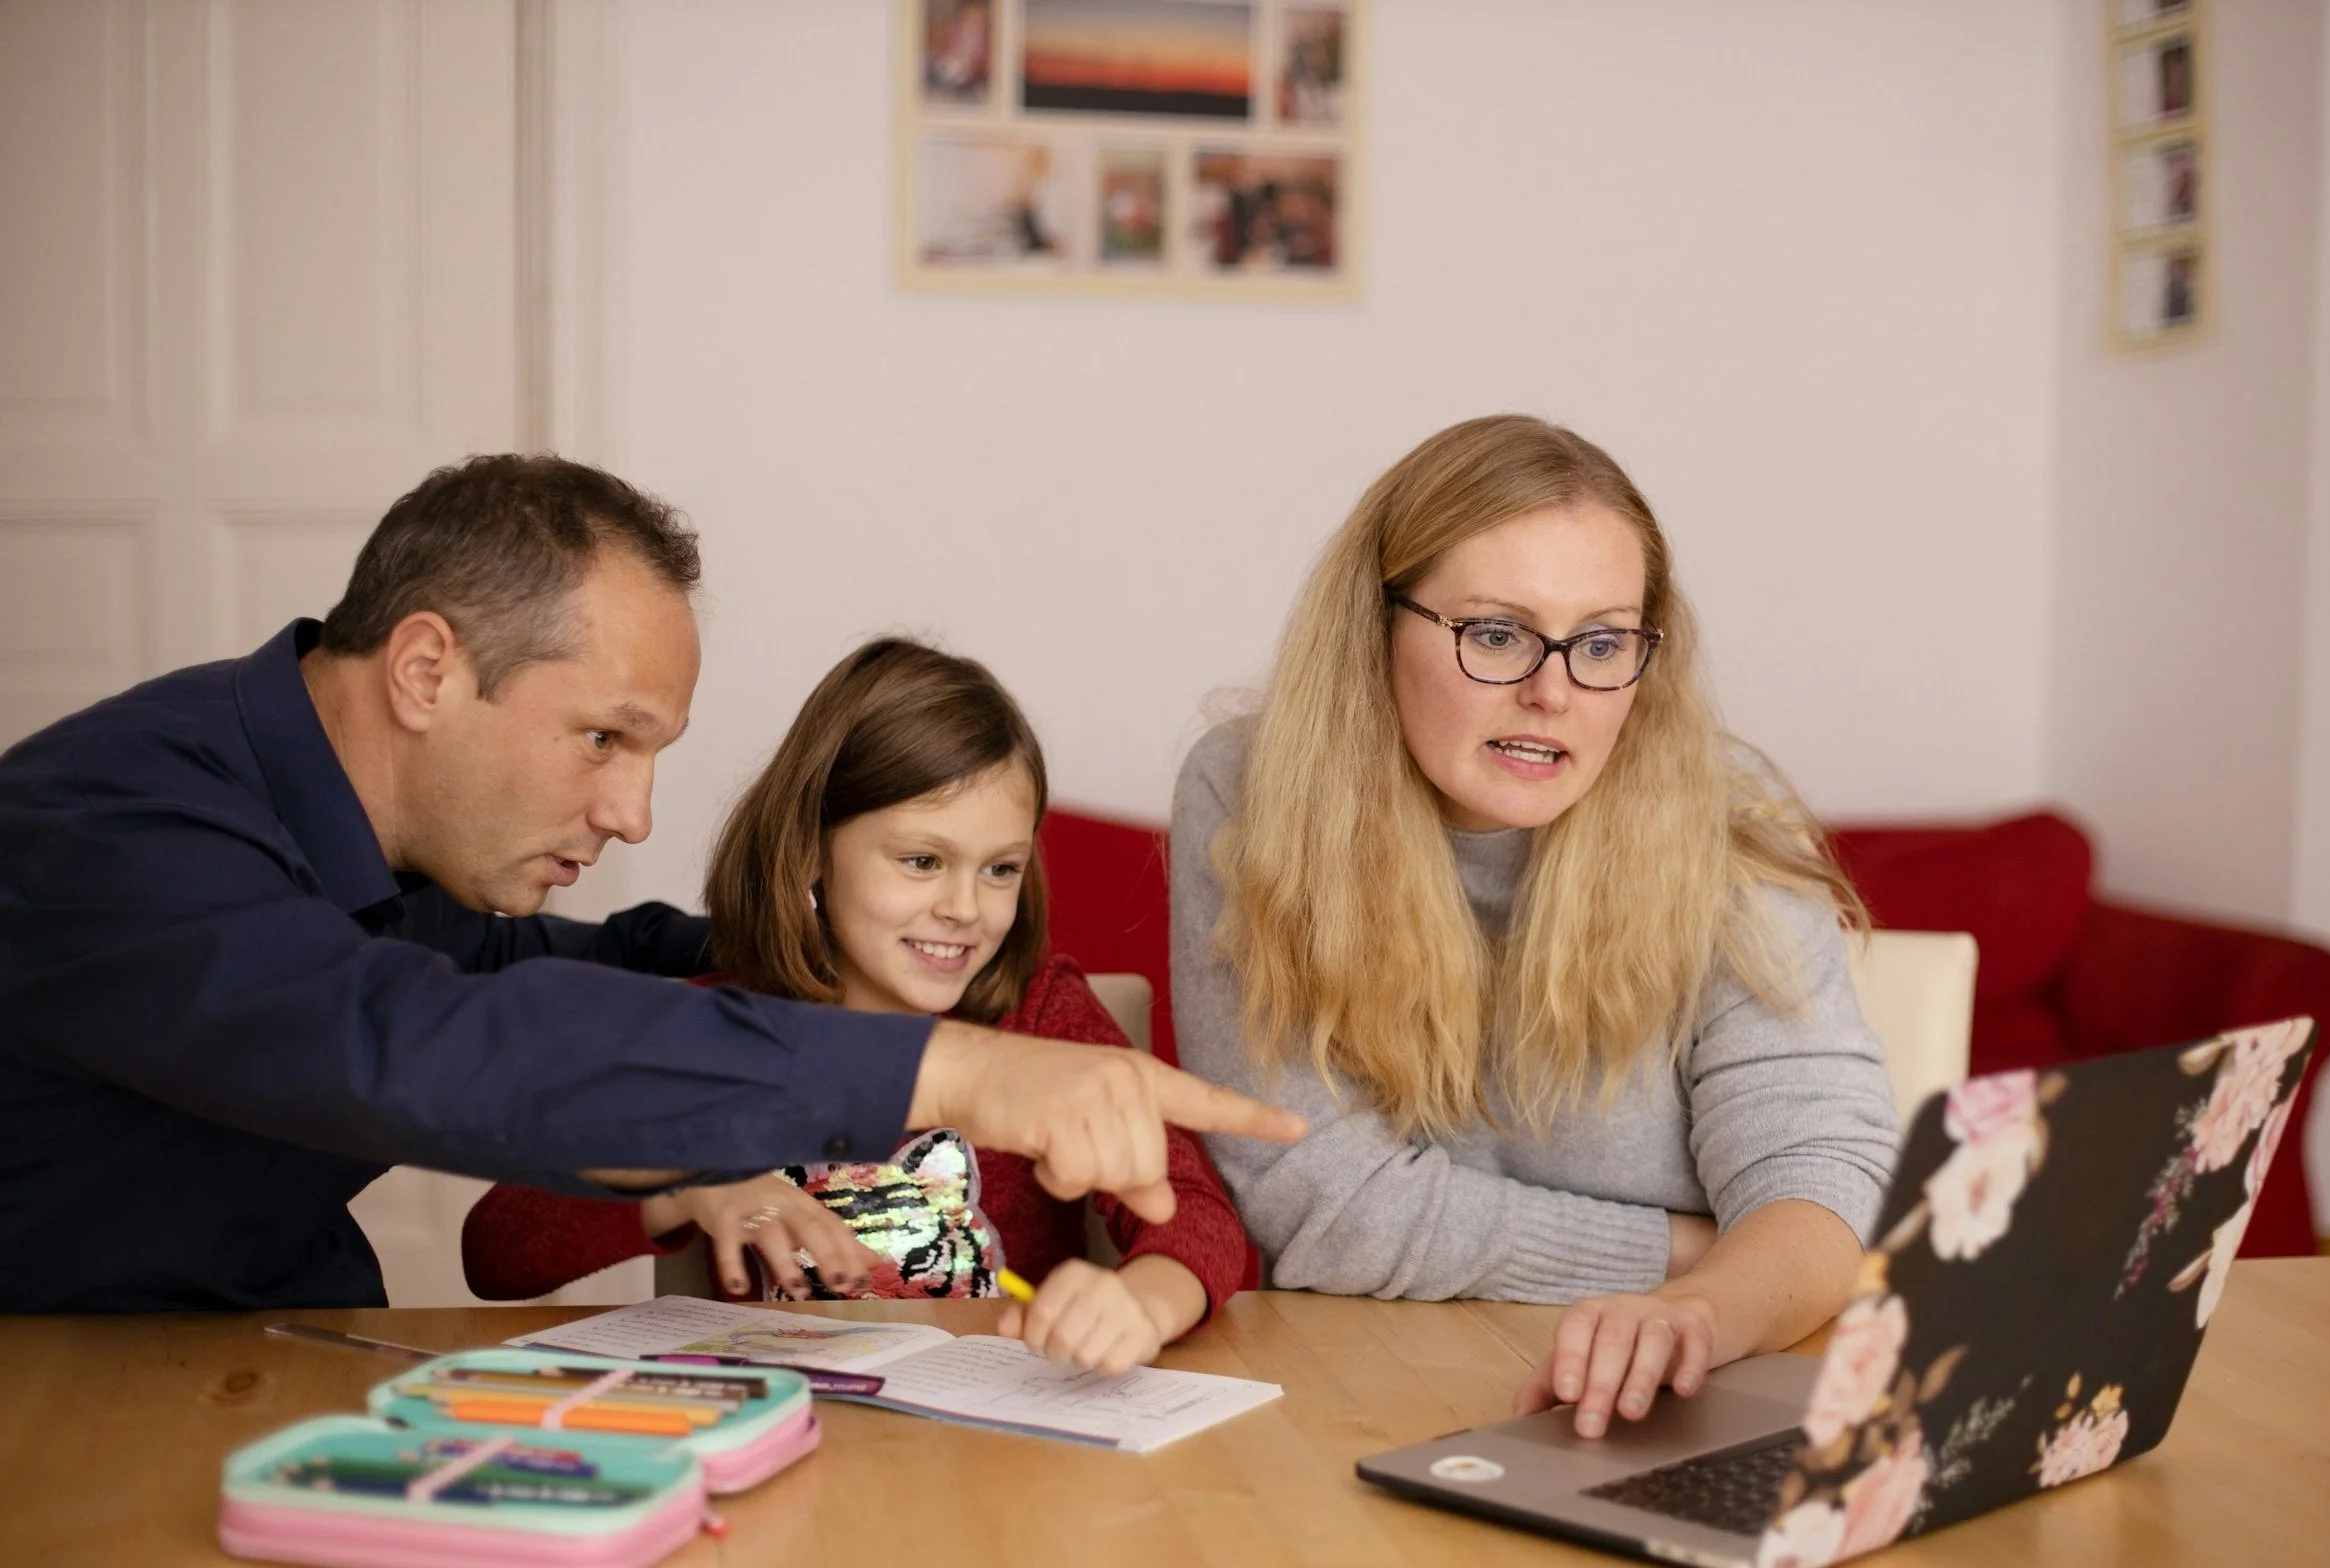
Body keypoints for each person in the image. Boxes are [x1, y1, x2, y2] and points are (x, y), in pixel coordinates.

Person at [0, 455, 1297, 1314]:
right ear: (425, 670)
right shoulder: (110, 829)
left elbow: (581, 968)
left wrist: (823, 945)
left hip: (278, 1349)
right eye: (603, 738)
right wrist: (946, 1068)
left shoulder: (415, 854)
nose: (631, 812)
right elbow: (413, 1041)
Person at [1171, 415, 1898, 1438]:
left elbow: (1825, 1183)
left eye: (1601, 641)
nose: (1553, 690)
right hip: (1360, 1398)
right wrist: (1699, 1248)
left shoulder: (1722, 821)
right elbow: (1318, 1208)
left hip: (1687, 1395)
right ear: (1373, 628)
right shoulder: (1249, 792)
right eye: (1497, 632)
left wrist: (1697, 1307)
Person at [464, 639, 1255, 1375]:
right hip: (785, 1443)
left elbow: (1200, 1216)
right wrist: (682, 1179)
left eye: (1000, 868)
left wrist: (1142, 1300)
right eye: (922, 860)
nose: (963, 907)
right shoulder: (718, 1031)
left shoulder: (1042, 1011)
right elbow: (496, 1249)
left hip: (1001, 1454)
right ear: (812, 849)